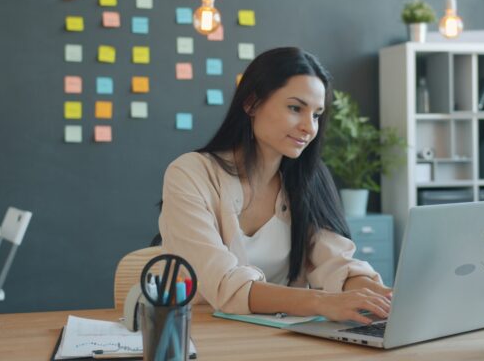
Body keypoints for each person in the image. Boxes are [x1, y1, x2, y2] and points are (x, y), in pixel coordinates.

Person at [158, 47, 391, 324]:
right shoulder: (190, 173)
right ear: (252, 104)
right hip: (202, 334)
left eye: (317, 114)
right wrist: (322, 302)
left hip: (282, 340)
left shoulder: (309, 179)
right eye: (295, 108)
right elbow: (223, 285)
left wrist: (382, 296)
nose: (309, 127)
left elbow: (337, 264)